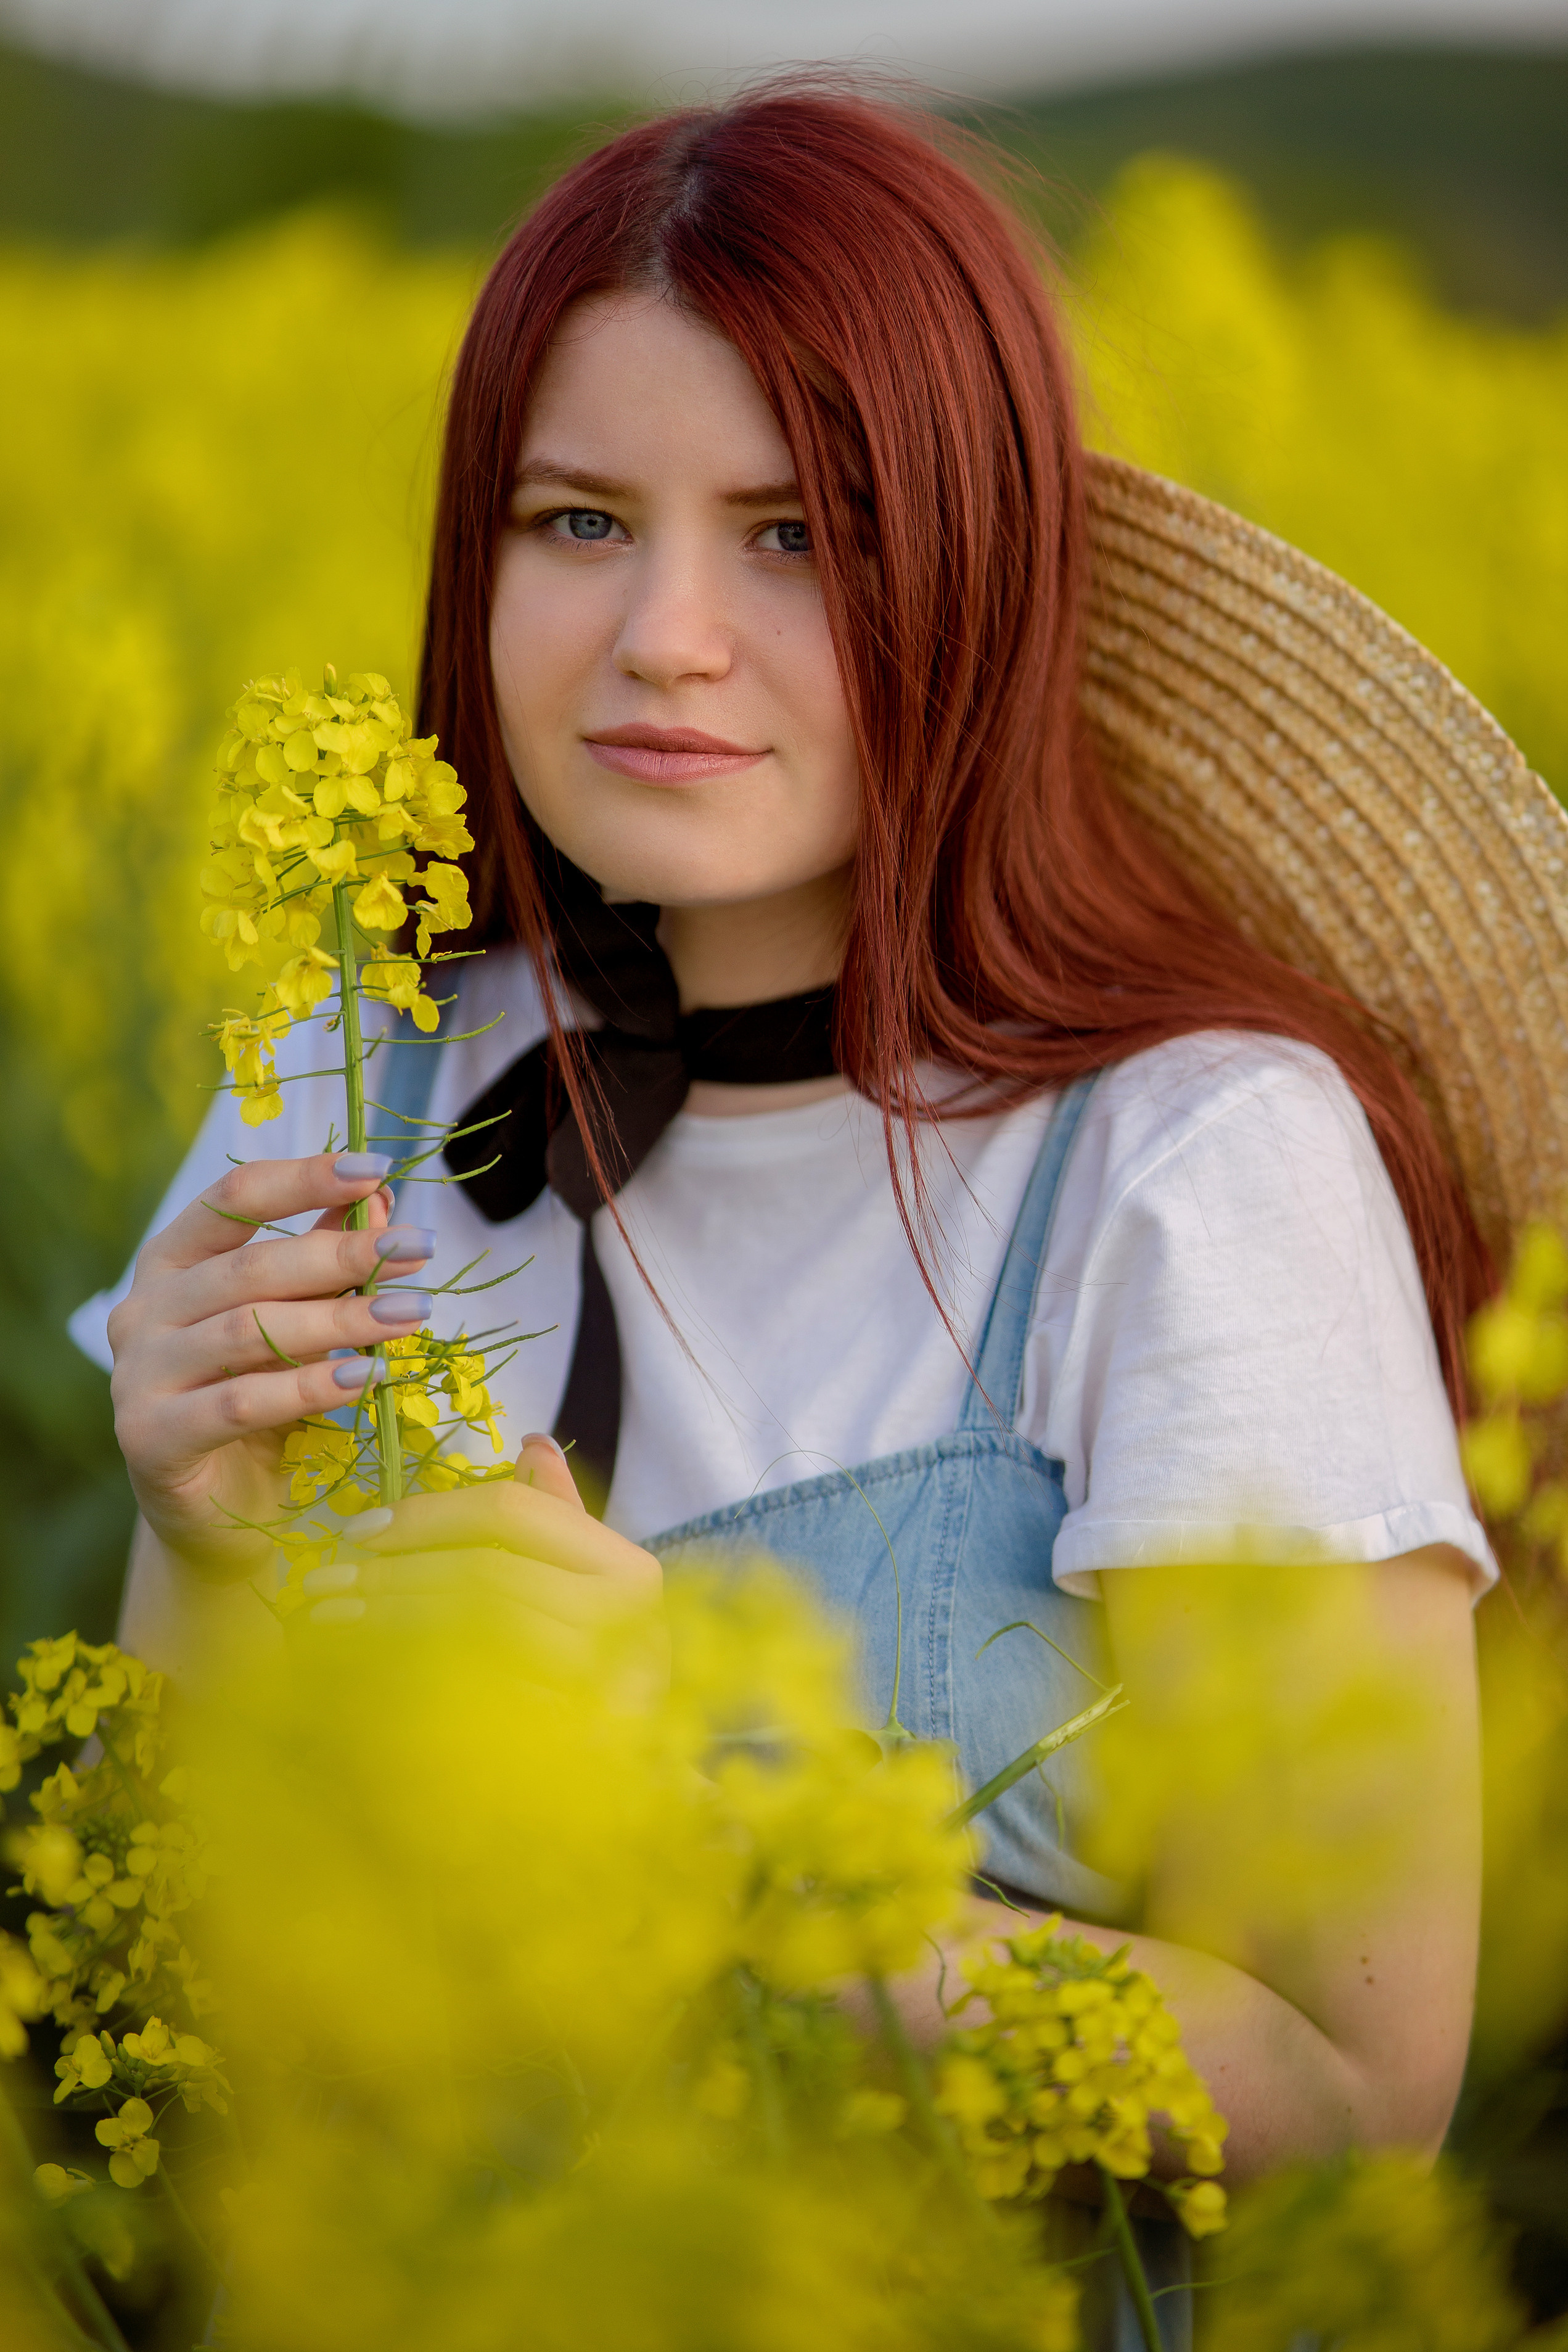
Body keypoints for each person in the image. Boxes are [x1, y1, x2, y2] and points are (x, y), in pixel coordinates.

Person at [77, 79, 1559, 2338]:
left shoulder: (1192, 1165)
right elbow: (149, 2003)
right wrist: (192, 1540)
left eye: (799, 533)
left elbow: (1358, 2093)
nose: (667, 635)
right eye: (578, 523)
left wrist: (705, 1828)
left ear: (969, 567)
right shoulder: (348, 1073)